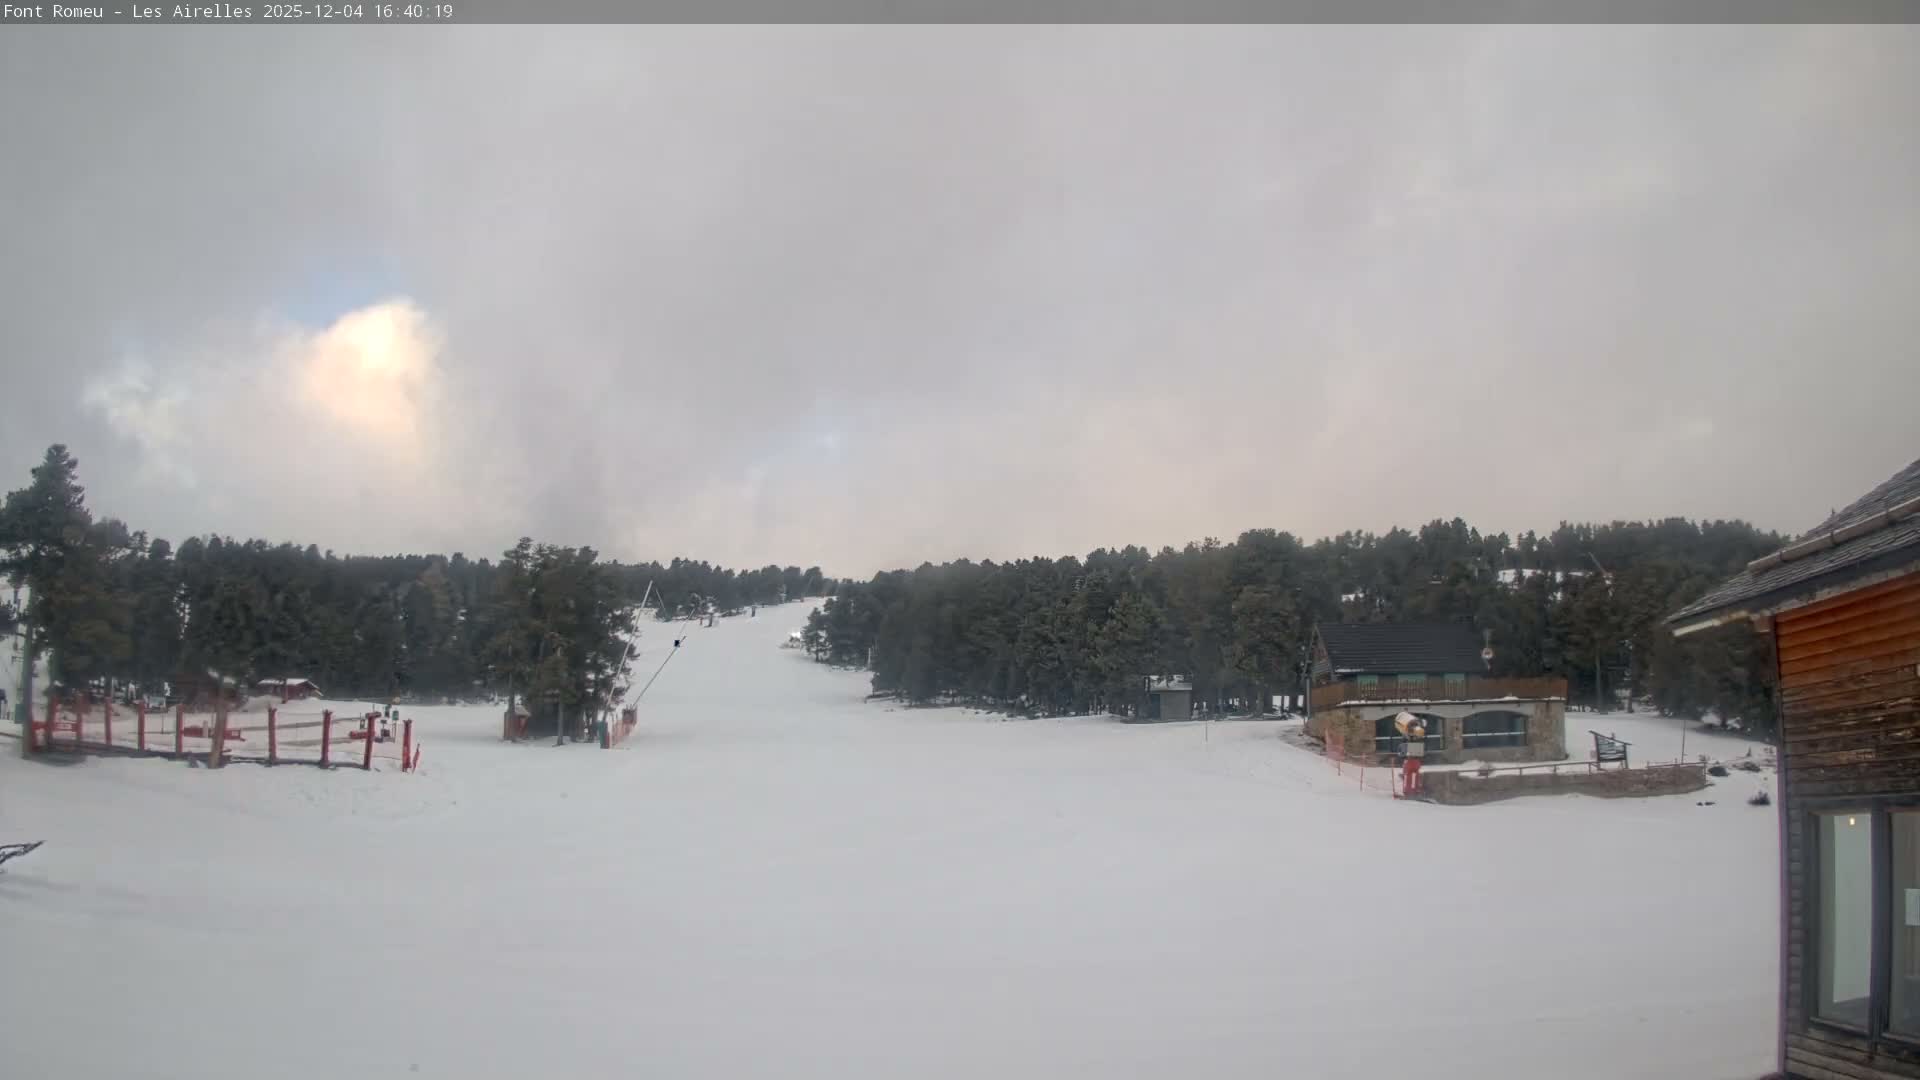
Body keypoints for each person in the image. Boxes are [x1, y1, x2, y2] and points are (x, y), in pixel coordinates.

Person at [1400, 713, 1426, 795]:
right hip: (1413, 757)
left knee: (1410, 774)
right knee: (1410, 774)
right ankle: (1412, 790)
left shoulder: (1411, 734)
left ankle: (1410, 790)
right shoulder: (1414, 734)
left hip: (1412, 757)